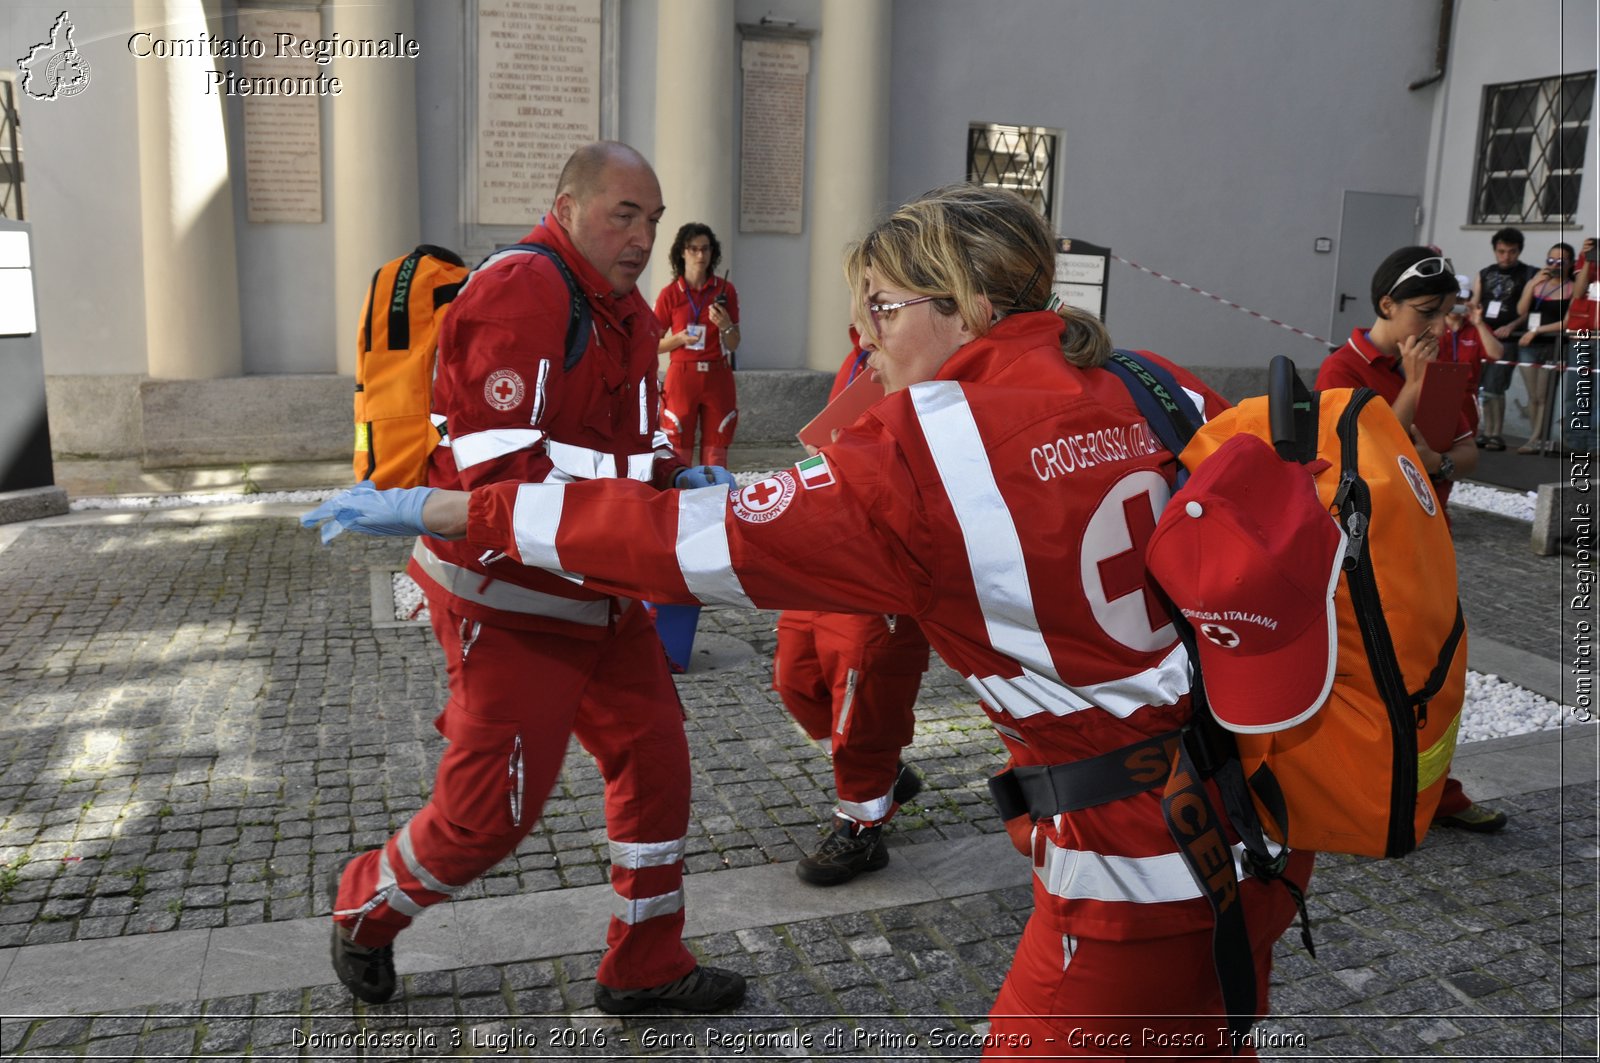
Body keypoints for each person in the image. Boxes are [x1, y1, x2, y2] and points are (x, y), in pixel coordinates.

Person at [307, 183, 1317, 1056]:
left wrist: (452, 506)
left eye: (880, 307)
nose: (861, 336)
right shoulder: (1153, 378)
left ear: (963, 304)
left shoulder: (929, 457)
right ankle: (642, 952)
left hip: (1126, 874)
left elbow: (679, 542)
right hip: (1261, 827)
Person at [318, 142, 746, 1014]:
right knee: (489, 815)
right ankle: (366, 904)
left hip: (596, 595)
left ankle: (645, 963)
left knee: (656, 759)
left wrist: (670, 474)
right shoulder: (525, 291)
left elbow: (622, 440)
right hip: (508, 604)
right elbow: (503, 483)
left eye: (654, 219)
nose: (643, 235)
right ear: (567, 205)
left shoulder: (622, 307)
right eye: (623, 214)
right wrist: (653, 525)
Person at [1314, 246, 1505, 834]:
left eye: (1447, 313)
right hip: (1364, 552)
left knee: (1438, 674)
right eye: (1426, 311)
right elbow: (1360, 457)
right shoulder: (1341, 370)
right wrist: (1415, 386)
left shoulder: (1445, 364)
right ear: (1387, 304)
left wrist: (1438, 463)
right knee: (1366, 673)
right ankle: (1363, 792)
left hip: (1429, 545)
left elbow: (1466, 454)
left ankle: (1435, 794)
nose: (1438, 327)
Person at [773, 334, 931, 886]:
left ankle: (862, 827)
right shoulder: (860, 356)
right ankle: (883, 775)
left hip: (881, 562)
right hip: (828, 543)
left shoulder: (931, 359)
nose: (869, 314)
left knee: (862, 702)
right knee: (795, 677)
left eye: (884, 299)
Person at [655, 223, 741, 466]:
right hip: (682, 377)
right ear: (682, 252)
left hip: (717, 375)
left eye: (706, 249)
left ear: (712, 252)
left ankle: (713, 498)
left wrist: (725, 325)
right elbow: (652, 344)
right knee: (678, 445)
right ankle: (678, 499)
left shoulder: (725, 291)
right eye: (694, 249)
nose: (700, 255)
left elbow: (734, 344)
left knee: (716, 447)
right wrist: (679, 339)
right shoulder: (670, 294)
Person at [1470, 227, 1537, 450]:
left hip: (1508, 339)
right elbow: (1475, 303)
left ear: (1519, 251)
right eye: (1501, 251)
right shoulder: (1484, 273)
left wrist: (1512, 325)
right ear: (1495, 251)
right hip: (1484, 334)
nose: (1506, 256)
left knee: (1495, 386)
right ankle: (1485, 430)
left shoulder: (1529, 274)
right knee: (1481, 387)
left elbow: (1531, 308)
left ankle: (1495, 433)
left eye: (1511, 251)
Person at [1513, 242, 1577, 455]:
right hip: (1529, 344)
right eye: (1551, 260)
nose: (1555, 265)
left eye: (1561, 261)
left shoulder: (1572, 287)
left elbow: (1567, 322)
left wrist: (1538, 330)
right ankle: (1536, 436)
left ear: (1569, 263)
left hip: (1553, 344)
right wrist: (1531, 285)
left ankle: (1535, 440)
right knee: (1533, 396)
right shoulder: (1538, 283)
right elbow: (1521, 309)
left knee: (1544, 395)